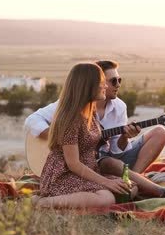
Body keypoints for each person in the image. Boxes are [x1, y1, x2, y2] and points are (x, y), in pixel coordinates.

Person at [25, 60, 165, 198]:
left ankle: (132, 182)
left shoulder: (119, 106)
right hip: (87, 162)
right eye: (113, 81)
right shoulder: (74, 106)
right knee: (109, 164)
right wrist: (63, 141)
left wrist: (124, 138)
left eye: (119, 80)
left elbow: (116, 150)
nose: (118, 85)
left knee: (160, 132)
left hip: (104, 157)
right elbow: (32, 120)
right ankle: (153, 189)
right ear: (93, 83)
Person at [33, 62, 134, 208]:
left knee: (130, 187)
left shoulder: (90, 113)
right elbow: (73, 164)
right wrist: (106, 182)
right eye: (101, 83)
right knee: (106, 198)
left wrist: (125, 137)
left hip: (87, 171)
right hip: (65, 175)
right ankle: (43, 203)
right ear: (88, 86)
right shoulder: (71, 118)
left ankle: (89, 198)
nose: (106, 86)